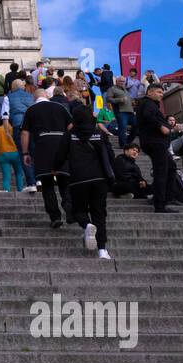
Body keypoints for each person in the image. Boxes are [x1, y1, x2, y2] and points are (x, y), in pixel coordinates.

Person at [66, 104, 115, 259]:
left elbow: (60, 156)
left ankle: (87, 225)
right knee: (99, 214)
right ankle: (102, 250)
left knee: (78, 210)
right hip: (99, 179)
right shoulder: (99, 133)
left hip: (77, 179)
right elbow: (110, 155)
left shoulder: (69, 135)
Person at [21, 80, 73, 227]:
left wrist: (25, 153)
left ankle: (55, 216)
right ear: (47, 96)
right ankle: (69, 209)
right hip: (61, 145)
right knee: (64, 180)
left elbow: (25, 133)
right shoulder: (60, 107)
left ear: (34, 98)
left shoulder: (31, 110)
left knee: (47, 183)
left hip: (43, 146)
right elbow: (71, 126)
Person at [135, 82, 181, 213]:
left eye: (162, 92)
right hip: (155, 143)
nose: (161, 95)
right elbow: (148, 116)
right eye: (159, 92)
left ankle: (166, 197)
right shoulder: (147, 103)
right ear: (150, 92)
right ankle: (160, 205)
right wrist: (161, 127)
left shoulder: (151, 105)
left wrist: (170, 127)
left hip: (158, 143)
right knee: (161, 172)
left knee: (171, 167)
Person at [0, 114, 26, 192]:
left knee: (6, 175)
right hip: (16, 153)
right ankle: (20, 190)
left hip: (3, 154)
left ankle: (6, 190)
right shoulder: (14, 129)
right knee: (19, 174)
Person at [104, 77, 133, 148]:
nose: (122, 82)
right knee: (122, 128)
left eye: (123, 81)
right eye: (120, 81)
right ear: (116, 81)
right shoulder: (112, 89)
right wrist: (119, 100)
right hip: (121, 112)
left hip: (130, 112)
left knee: (136, 126)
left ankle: (128, 141)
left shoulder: (125, 90)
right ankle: (123, 145)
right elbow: (108, 99)